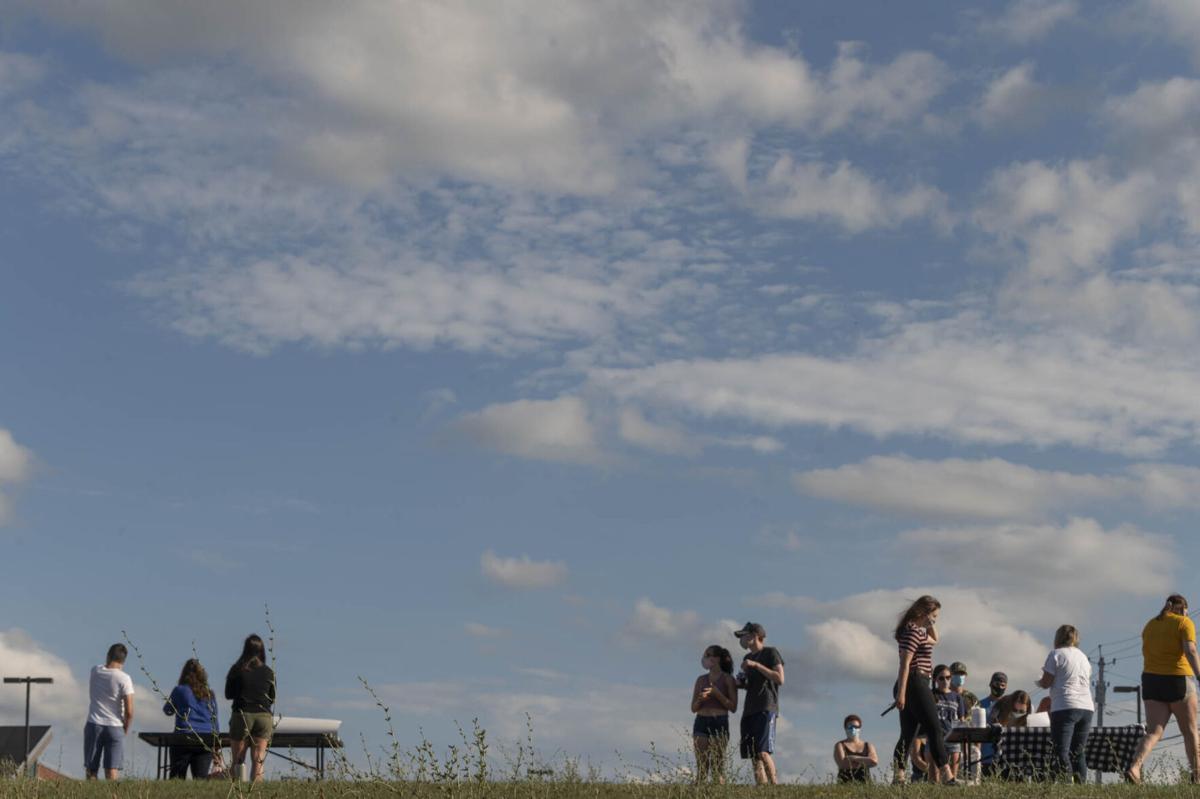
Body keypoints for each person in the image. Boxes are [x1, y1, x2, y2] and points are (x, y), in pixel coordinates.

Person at [1126, 594, 1200, 784]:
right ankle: (1197, 777)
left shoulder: (1150, 625)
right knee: (1190, 731)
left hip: (1151, 681)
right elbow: (1190, 650)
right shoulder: (1184, 622)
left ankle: (1135, 767)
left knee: (1153, 732)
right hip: (1177, 680)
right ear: (1182, 609)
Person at [891, 596, 953, 784]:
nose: (934, 620)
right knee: (934, 728)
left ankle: (899, 776)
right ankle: (947, 774)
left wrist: (930, 624)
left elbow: (935, 639)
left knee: (908, 733)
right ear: (923, 613)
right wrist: (901, 693)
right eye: (933, 616)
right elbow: (905, 664)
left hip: (917, 682)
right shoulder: (913, 632)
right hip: (915, 681)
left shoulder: (916, 630)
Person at [1035, 624, 1094, 783]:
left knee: (1061, 751)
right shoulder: (1083, 657)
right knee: (1078, 752)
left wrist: (1039, 682)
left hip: (1065, 705)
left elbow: (1046, 682)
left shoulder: (1056, 654)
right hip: (1086, 706)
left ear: (1058, 638)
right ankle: (1081, 787)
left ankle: (1066, 785)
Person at [732, 622, 785, 785]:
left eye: (743, 636)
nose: (741, 640)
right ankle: (761, 788)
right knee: (754, 754)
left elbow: (780, 678)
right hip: (749, 709)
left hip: (766, 706)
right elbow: (748, 684)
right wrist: (739, 683)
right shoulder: (747, 658)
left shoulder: (770, 653)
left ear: (754, 636)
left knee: (763, 751)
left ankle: (775, 786)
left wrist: (756, 665)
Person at [225, 634, 276, 782]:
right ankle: (257, 791)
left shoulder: (237, 669)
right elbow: (272, 697)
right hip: (263, 716)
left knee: (238, 759)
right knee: (258, 759)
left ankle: (237, 790)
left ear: (245, 649)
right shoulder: (269, 672)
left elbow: (228, 694)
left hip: (242, 714)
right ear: (262, 651)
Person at [164, 658, 221, 779]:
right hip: (206, 739)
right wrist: (216, 746)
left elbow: (167, 710)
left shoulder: (179, 690)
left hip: (183, 737)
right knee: (200, 778)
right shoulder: (210, 694)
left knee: (177, 778)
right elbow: (215, 721)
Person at [84, 643, 135, 781]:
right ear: (124, 660)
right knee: (112, 770)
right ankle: (111, 792)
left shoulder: (95, 671)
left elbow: (103, 666)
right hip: (115, 726)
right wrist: (125, 729)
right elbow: (129, 711)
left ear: (108, 656)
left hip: (94, 723)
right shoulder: (124, 678)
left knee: (91, 769)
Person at [691, 644, 737, 783]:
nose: (705, 658)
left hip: (719, 721)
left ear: (717, 659)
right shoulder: (701, 680)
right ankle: (700, 792)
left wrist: (717, 694)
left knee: (717, 767)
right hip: (701, 721)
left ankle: (719, 791)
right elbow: (693, 708)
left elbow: (733, 707)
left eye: (708, 655)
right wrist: (700, 700)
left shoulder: (728, 679)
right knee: (702, 766)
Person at [932, 664, 967, 780]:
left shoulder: (957, 697)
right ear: (935, 680)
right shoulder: (931, 695)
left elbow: (961, 719)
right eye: (941, 678)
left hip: (952, 738)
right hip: (935, 738)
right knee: (935, 775)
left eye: (948, 677)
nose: (945, 681)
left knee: (953, 775)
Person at [977, 671, 1007, 778]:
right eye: (996, 684)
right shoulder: (980, 704)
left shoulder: (1009, 705)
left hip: (1004, 757)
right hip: (984, 756)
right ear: (990, 684)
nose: (999, 687)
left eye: (1002, 685)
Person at [833, 714, 878, 783]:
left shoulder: (868, 745)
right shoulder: (840, 745)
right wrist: (865, 762)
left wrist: (853, 758)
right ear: (845, 728)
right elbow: (842, 764)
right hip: (845, 785)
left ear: (860, 728)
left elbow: (874, 761)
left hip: (866, 785)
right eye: (850, 727)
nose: (853, 729)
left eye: (856, 727)